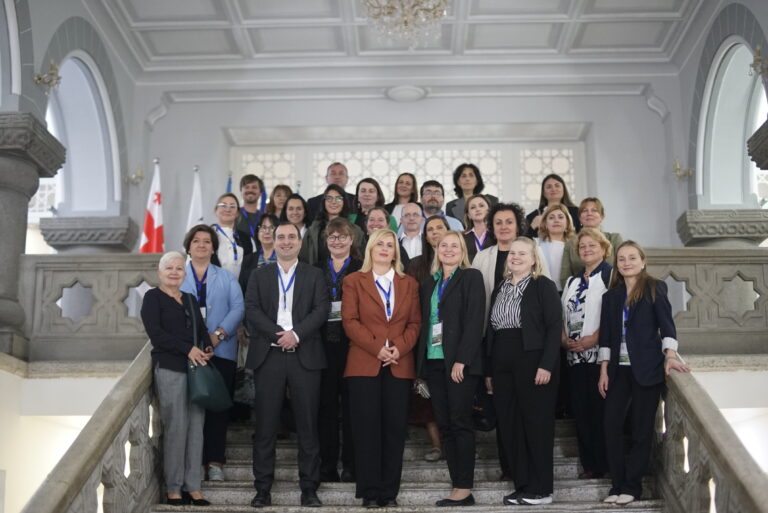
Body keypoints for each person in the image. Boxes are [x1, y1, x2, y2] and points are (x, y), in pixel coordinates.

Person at [244, 222, 330, 508]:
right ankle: (262, 489)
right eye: (280, 237)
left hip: (304, 355)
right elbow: (252, 310)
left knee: (307, 425)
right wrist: (278, 336)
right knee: (266, 426)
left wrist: (296, 334)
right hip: (269, 356)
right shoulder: (260, 275)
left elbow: (322, 309)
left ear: (300, 242)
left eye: (291, 237)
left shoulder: (315, 275)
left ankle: (309, 489)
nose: (285, 241)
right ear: (273, 240)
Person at [598, 241, 690, 506]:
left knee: (641, 430)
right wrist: (604, 369)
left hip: (647, 369)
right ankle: (616, 484)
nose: (626, 262)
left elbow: (667, 325)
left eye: (632, 258)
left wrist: (670, 356)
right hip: (617, 371)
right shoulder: (611, 296)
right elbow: (606, 336)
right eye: (621, 259)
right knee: (611, 425)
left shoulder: (654, 287)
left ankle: (632, 486)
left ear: (642, 261)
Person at [342, 229, 421, 508]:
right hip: (364, 364)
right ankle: (370, 492)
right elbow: (350, 321)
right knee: (366, 430)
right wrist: (378, 348)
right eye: (380, 245)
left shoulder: (408, 283)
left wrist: (398, 347)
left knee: (394, 430)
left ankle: (389, 492)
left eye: (390, 245)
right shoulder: (354, 281)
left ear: (396, 252)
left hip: (399, 364)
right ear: (371, 250)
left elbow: (415, 324)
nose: (385, 249)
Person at [486, 237, 562, 506]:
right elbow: (492, 330)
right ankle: (523, 485)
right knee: (510, 425)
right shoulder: (500, 288)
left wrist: (546, 364)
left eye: (522, 253)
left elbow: (554, 327)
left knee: (536, 424)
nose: (516, 257)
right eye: (513, 253)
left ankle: (542, 489)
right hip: (502, 360)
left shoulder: (543, 285)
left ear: (533, 259)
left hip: (533, 358)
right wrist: (489, 371)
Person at [416, 231, 485, 507]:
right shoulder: (429, 283)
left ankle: (464, 487)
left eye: (454, 245)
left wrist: (462, 359)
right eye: (443, 245)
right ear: (436, 249)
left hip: (459, 364)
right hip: (434, 362)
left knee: (460, 423)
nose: (448, 249)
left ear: (462, 250)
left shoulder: (471, 277)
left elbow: (474, 321)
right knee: (444, 425)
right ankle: (456, 484)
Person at [141, 251, 211, 507]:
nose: (174, 272)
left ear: (184, 274)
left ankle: (193, 487)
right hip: (170, 368)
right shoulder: (153, 298)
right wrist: (187, 349)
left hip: (195, 369)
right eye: (169, 268)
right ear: (160, 272)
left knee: (196, 429)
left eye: (179, 268)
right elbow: (156, 335)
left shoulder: (191, 300)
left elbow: (202, 331)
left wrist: (205, 347)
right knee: (176, 427)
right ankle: (174, 488)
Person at [180, 225, 245, 483]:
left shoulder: (226, 277)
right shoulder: (179, 274)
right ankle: (194, 463)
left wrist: (218, 335)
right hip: (189, 352)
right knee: (193, 411)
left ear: (213, 248)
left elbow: (238, 308)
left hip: (222, 351)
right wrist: (194, 342)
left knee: (218, 410)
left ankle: (215, 462)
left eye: (207, 241)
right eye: (196, 241)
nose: (202, 245)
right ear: (189, 246)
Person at [560, 228, 612, 482]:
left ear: (604, 248)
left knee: (601, 412)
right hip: (574, 358)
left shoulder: (611, 276)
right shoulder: (572, 281)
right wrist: (563, 338)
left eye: (593, 245)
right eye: (582, 247)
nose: (587, 250)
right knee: (581, 413)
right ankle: (589, 464)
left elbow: (616, 314)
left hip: (599, 356)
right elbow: (561, 315)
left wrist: (595, 337)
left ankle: (605, 464)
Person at [314, 217, 363, 483]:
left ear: (351, 240)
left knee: (353, 408)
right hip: (322, 347)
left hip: (353, 347)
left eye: (342, 237)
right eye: (332, 237)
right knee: (326, 408)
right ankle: (327, 466)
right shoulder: (315, 269)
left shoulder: (360, 268)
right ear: (326, 241)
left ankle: (352, 465)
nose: (337, 241)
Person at [405, 215, 449, 463]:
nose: (434, 232)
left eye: (439, 228)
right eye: (430, 229)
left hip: (452, 338)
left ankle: (453, 441)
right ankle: (436, 444)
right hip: (424, 336)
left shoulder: (460, 262)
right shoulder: (416, 265)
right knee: (425, 394)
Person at [560, 197, 624, 286]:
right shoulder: (570, 243)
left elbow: (623, 268)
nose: (589, 213)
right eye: (585, 211)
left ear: (602, 216)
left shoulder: (614, 239)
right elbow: (565, 278)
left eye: (594, 210)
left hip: (612, 290)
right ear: (579, 217)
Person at [299, 184, 365, 265]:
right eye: (329, 198)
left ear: (344, 202)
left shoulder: (355, 230)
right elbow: (303, 259)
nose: (333, 202)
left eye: (338, 198)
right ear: (324, 202)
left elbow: (362, 259)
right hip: (317, 276)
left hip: (349, 275)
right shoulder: (313, 231)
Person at [211, 193, 254, 281]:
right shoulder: (205, 236)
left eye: (232, 206)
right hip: (211, 290)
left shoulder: (247, 238)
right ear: (216, 210)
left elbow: (252, 268)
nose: (228, 209)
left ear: (237, 212)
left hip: (241, 291)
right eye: (223, 205)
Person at [524, 174, 581, 239]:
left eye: (557, 186)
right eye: (549, 187)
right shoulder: (533, 216)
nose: (553, 189)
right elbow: (523, 243)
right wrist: (532, 227)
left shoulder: (576, 212)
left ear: (563, 189)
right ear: (543, 192)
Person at [535, 204, 576, 292]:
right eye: (551, 218)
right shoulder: (535, 244)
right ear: (545, 223)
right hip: (543, 292)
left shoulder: (575, 244)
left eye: (561, 217)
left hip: (568, 292)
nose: (556, 220)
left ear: (567, 222)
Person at [238, 213, 279, 293]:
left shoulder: (285, 258)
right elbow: (242, 289)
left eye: (272, 228)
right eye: (263, 227)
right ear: (257, 232)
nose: (267, 231)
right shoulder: (248, 260)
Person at [462, 194, 492, 262]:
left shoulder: (497, 234)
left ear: (489, 210)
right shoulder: (461, 238)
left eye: (481, 206)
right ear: (469, 215)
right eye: (473, 207)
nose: (478, 209)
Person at [237, 174, 265, 243]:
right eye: (246, 187)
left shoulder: (265, 218)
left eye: (254, 187)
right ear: (241, 191)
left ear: (260, 192)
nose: (250, 190)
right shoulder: (234, 215)